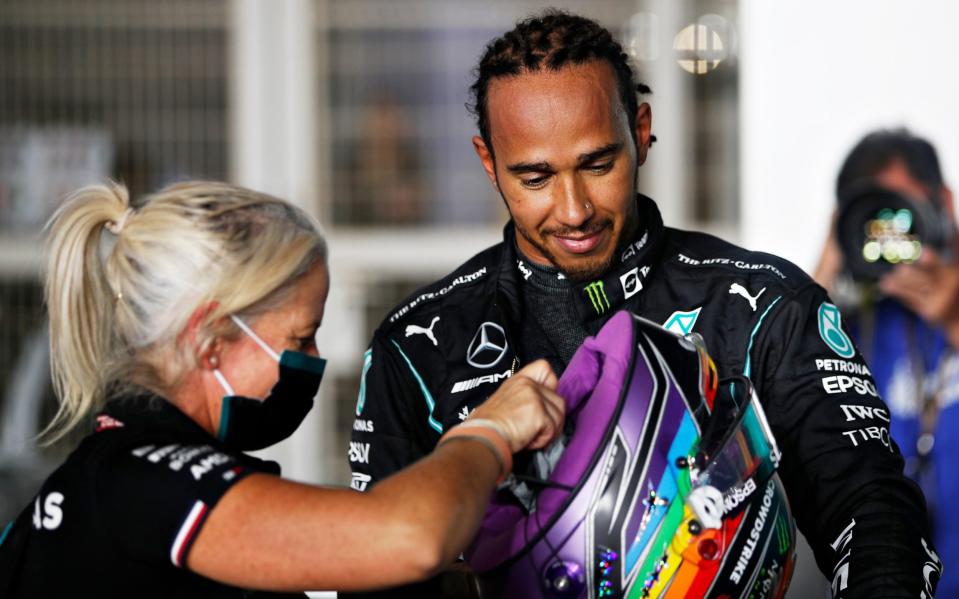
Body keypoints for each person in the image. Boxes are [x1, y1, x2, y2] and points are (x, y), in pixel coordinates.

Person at [349, 10, 941, 598]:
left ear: (641, 130)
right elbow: (375, 574)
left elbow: (871, 505)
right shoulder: (419, 345)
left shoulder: (759, 304)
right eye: (535, 178)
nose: (574, 208)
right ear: (489, 163)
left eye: (598, 164)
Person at [0, 181, 566, 597]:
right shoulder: (142, 481)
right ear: (212, 338)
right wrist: (489, 430)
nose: (314, 360)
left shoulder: (126, 468)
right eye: (302, 336)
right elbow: (409, 538)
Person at [814, 128, 958, 596]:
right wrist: (823, 275)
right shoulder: (844, 333)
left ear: (944, 206)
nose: (890, 234)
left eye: (900, 212)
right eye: (872, 218)